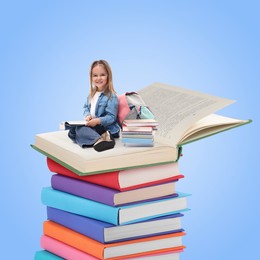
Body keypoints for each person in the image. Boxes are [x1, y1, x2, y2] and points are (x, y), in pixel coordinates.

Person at [67, 60, 120, 152]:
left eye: (102, 75)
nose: (98, 78)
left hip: (105, 127)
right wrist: (87, 115)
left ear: (108, 76)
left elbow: (111, 117)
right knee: (72, 132)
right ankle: (100, 139)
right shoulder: (91, 94)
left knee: (80, 130)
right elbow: (85, 107)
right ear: (91, 77)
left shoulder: (111, 96)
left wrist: (97, 121)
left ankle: (100, 139)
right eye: (95, 75)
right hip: (94, 126)